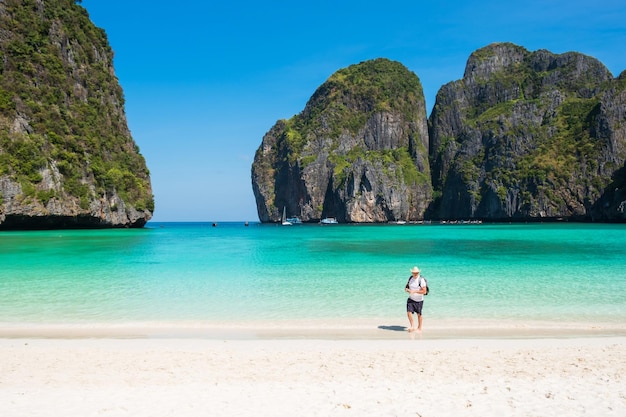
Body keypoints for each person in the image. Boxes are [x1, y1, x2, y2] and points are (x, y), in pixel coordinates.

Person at [405, 266, 427, 332]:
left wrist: (414, 291)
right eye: (414, 273)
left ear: (418, 272)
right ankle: (412, 326)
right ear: (412, 272)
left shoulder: (421, 280)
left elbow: (424, 291)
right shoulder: (410, 278)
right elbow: (406, 287)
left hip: (419, 300)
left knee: (419, 314)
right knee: (409, 312)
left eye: (416, 273)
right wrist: (407, 290)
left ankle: (419, 328)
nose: (415, 274)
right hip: (411, 299)